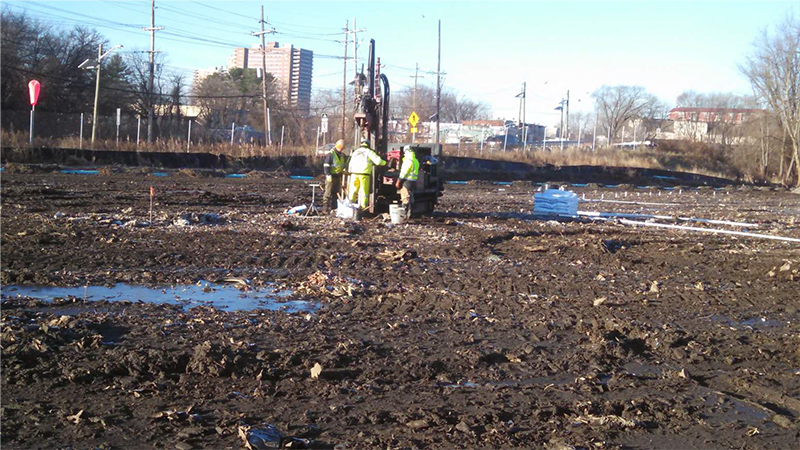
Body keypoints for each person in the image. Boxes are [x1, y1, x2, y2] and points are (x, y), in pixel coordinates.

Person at [347, 139, 386, 209]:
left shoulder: (356, 152)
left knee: (353, 190)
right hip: (364, 174)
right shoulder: (369, 152)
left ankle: (350, 205)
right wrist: (385, 163)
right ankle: (363, 207)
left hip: (354, 173)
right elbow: (378, 161)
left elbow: (350, 162)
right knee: (363, 192)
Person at [322, 139, 347, 213]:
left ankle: (334, 208)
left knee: (336, 193)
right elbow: (326, 165)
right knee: (328, 193)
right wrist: (328, 174)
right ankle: (325, 209)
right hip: (331, 176)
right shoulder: (331, 154)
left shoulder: (342, 155)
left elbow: (344, 163)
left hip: (338, 176)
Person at [395, 145, 419, 217]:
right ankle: (410, 213)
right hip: (413, 181)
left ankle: (404, 215)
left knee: (405, 198)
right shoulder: (415, 160)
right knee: (410, 197)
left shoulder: (408, 160)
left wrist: (399, 180)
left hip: (407, 181)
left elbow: (404, 172)